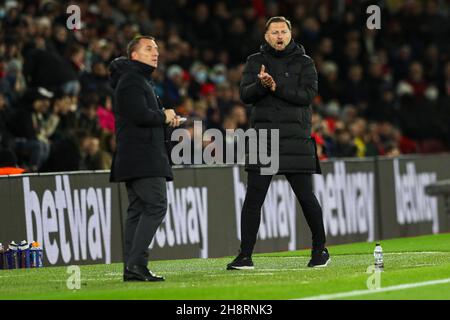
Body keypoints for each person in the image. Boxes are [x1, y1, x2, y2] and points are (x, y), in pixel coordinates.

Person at [227, 17, 329, 270]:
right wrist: (262, 86)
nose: (279, 36)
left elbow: (307, 96)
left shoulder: (305, 63)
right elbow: (245, 95)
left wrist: (275, 86)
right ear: (266, 36)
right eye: (274, 32)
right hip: (264, 139)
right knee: (253, 199)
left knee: (306, 197)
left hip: (295, 139)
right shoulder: (254, 62)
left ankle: (320, 251)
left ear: (291, 34)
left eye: (283, 31)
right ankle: (245, 256)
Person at [109, 36, 181, 282]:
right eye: (149, 49)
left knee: (138, 210)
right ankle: (137, 263)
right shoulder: (131, 81)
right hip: (142, 158)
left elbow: (139, 117)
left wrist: (167, 120)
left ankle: (132, 268)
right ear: (134, 55)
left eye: (157, 49)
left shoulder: (137, 80)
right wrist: (163, 116)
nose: (156, 53)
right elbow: (139, 114)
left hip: (138, 156)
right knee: (156, 205)